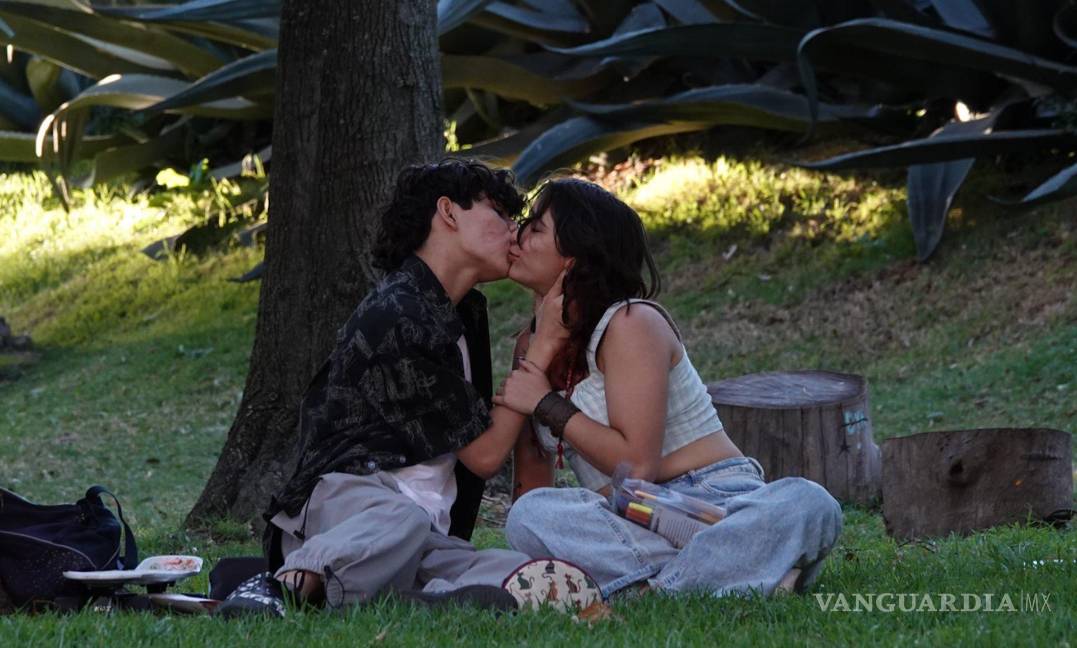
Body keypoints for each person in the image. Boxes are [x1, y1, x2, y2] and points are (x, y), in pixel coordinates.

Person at [217, 161, 600, 618]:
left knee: (519, 572)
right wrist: (542, 349)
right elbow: (483, 455)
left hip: (422, 534)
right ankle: (282, 583)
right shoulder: (398, 313)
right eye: (499, 214)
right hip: (353, 510)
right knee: (401, 519)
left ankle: (403, 598)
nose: (513, 230)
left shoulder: (461, 312)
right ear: (449, 212)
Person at [494, 178, 843, 601]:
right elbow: (534, 487)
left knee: (809, 503)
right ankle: (743, 572)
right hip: (627, 519)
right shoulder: (529, 348)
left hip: (714, 501)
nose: (517, 235)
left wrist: (546, 404)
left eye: (535, 228)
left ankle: (659, 591)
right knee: (529, 515)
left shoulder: (630, 323)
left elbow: (636, 466)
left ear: (575, 257)